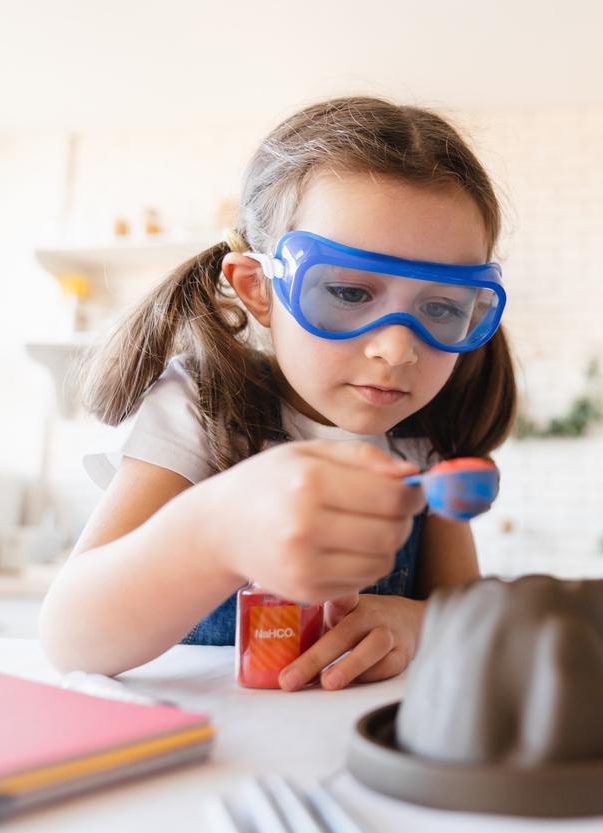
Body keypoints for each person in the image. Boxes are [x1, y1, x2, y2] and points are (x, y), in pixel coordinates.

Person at [39, 97, 516, 692]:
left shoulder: (426, 441)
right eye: (347, 291)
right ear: (258, 289)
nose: (397, 350)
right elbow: (70, 637)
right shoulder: (202, 409)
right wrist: (215, 531)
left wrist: (421, 623)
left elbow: (468, 619)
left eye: (442, 306)